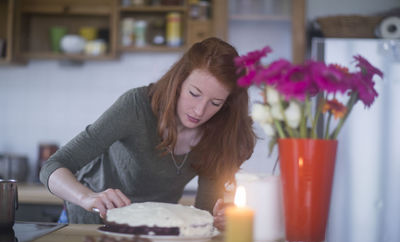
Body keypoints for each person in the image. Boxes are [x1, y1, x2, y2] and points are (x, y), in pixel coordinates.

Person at [40, 37, 256, 230]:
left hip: (153, 231)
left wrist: (220, 219)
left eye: (215, 103)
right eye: (194, 94)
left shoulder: (220, 136)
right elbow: (52, 166)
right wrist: (87, 197)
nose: (199, 111)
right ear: (178, 82)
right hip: (88, 226)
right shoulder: (136, 106)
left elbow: (205, 214)